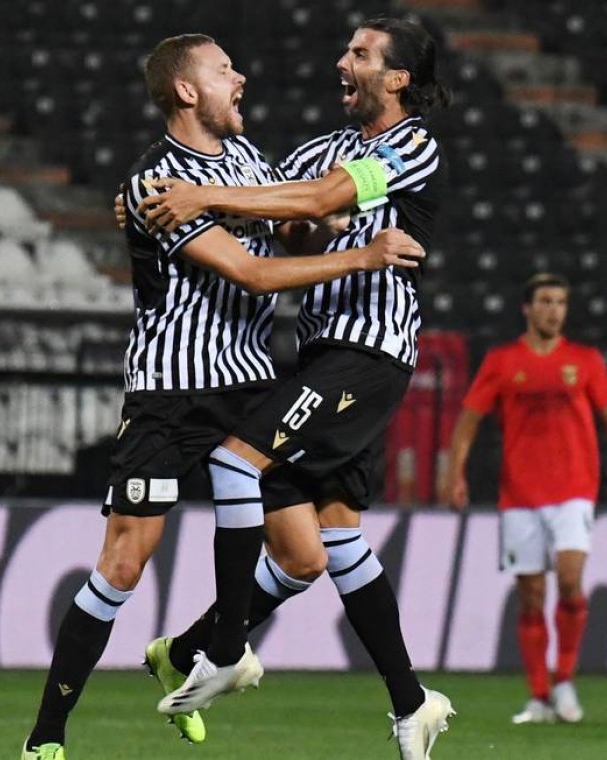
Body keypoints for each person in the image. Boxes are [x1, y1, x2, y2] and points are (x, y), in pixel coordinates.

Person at [20, 33, 425, 760]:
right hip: (170, 394)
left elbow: (288, 229)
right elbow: (252, 274)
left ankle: (194, 653)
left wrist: (317, 222)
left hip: (249, 385)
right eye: (223, 70)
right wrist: (362, 252)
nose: (240, 78)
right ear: (185, 91)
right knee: (122, 563)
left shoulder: (243, 163)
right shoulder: (154, 182)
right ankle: (46, 739)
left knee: (304, 559)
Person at [137, 17, 457, 759]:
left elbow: (314, 200)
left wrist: (207, 202)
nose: (341, 61)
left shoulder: (409, 146)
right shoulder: (318, 150)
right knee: (325, 542)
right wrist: (150, 200)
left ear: (397, 78)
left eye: (360, 54)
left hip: (370, 354)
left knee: (232, 462)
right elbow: (294, 222)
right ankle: (411, 704)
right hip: (318, 353)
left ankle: (220, 651)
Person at [444, 272, 607, 725]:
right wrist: (454, 472)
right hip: (519, 494)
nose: (554, 309)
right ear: (527, 308)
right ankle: (539, 697)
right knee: (531, 596)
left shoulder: (586, 360)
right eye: (545, 300)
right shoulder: (503, 361)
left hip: (575, 489)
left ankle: (565, 680)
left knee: (572, 579)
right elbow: (469, 421)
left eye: (560, 301)